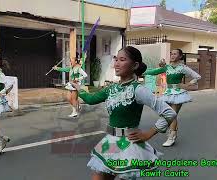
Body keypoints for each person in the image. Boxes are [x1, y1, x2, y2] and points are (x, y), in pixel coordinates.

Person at [71, 46, 177, 180]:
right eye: (116, 59)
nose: (117, 63)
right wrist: (79, 88)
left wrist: (148, 134)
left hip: (130, 145)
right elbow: (91, 99)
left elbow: (169, 112)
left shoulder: (138, 90)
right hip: (111, 143)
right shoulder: (111, 88)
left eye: (122, 60)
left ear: (135, 65)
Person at [143, 49, 201, 147]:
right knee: (171, 115)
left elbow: (197, 76)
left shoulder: (183, 68)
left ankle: (171, 137)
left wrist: (186, 85)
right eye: (171, 54)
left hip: (178, 93)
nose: (172, 55)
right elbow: (154, 72)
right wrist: (140, 71)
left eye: (175, 54)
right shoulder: (167, 67)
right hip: (167, 92)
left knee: (171, 115)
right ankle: (172, 135)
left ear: (180, 56)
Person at [53, 53, 87, 117]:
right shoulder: (71, 68)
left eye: (71, 60)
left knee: (73, 99)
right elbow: (64, 69)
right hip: (70, 84)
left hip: (75, 85)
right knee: (68, 98)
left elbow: (85, 75)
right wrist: (56, 68)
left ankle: (74, 112)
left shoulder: (78, 68)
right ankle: (77, 105)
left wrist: (78, 78)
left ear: (75, 61)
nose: (70, 61)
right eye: (70, 60)